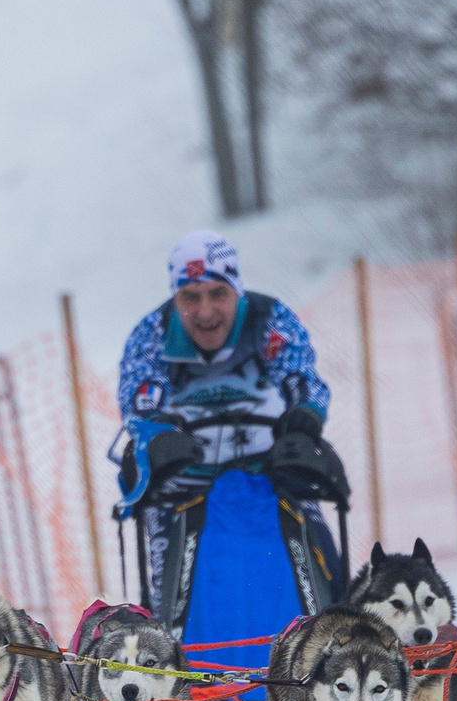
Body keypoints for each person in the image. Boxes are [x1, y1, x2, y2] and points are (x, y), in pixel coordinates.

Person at [112, 230, 344, 611]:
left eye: (217, 293)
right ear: (175, 297)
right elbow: (137, 399)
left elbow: (301, 377)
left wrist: (304, 416)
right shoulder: (151, 334)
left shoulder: (270, 319)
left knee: (330, 588)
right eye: (190, 297)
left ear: (237, 290)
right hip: (182, 484)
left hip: (272, 470)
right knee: (169, 605)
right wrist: (157, 433)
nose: (205, 312)